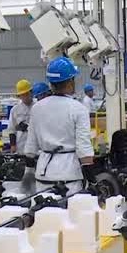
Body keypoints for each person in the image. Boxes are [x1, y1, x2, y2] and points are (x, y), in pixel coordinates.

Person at [24, 57, 94, 194]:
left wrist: (28, 172)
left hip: (43, 175)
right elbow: (84, 149)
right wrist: (92, 181)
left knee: (43, 208)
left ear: (51, 83)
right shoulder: (78, 109)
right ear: (70, 82)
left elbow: (31, 147)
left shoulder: (37, 108)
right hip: (68, 177)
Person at [9, 79, 33, 154]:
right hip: (21, 145)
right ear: (19, 96)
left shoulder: (38, 107)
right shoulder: (15, 110)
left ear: (31, 92)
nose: (25, 97)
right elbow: (12, 129)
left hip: (36, 144)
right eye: (22, 95)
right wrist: (13, 145)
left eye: (27, 94)